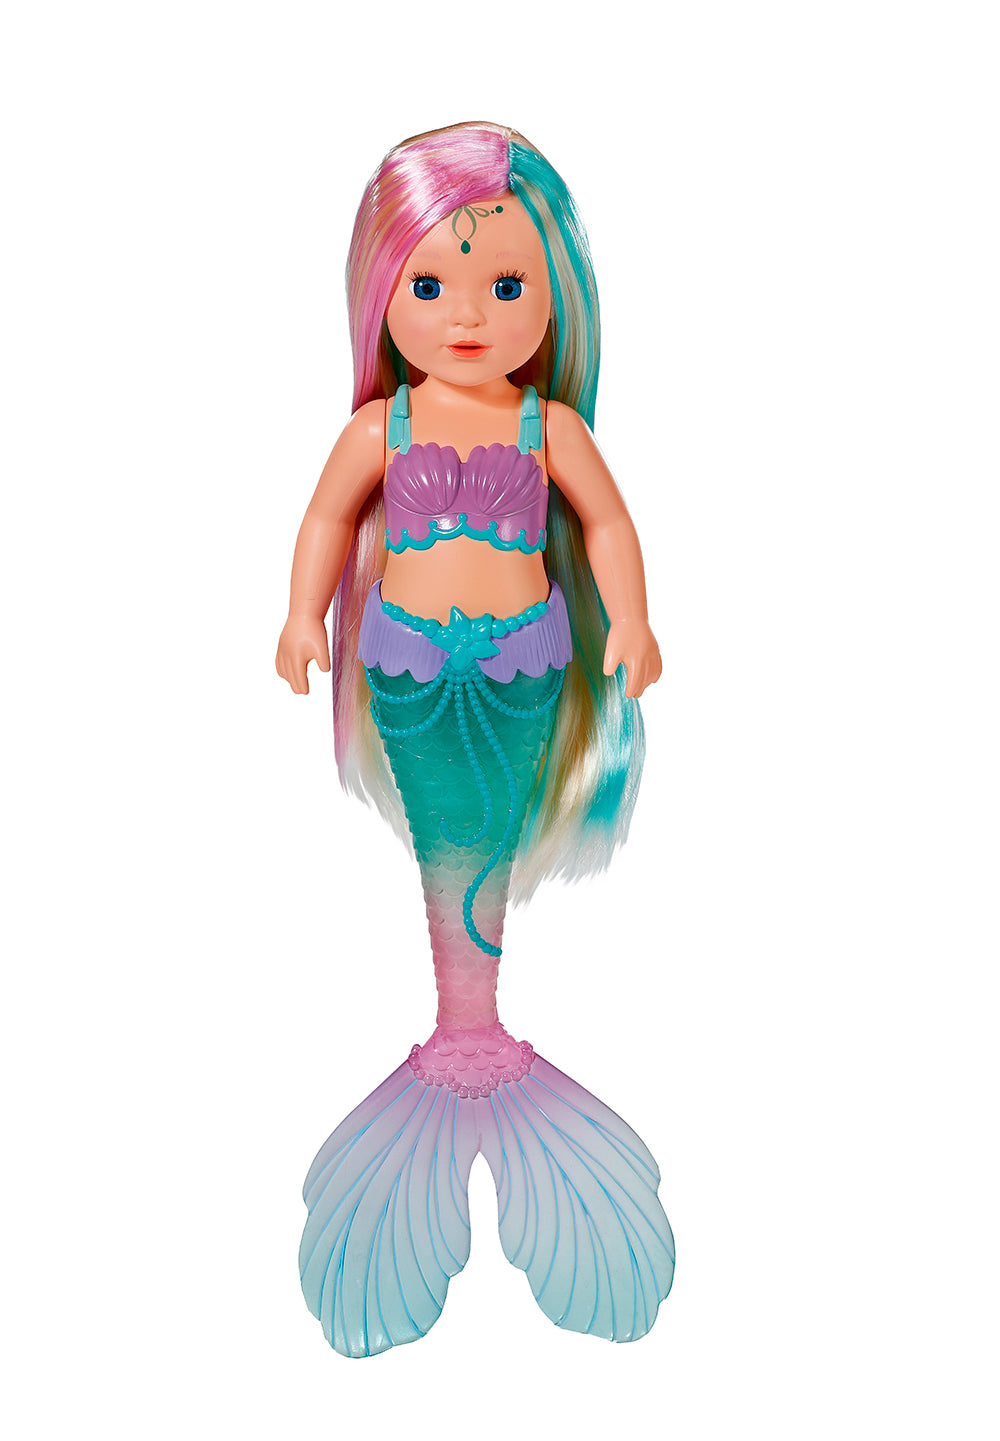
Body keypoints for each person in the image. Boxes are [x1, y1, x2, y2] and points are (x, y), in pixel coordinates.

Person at [276, 122, 674, 1357]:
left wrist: (632, 620)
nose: (465, 314)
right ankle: (463, 1027)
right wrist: (299, 616)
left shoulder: (547, 429)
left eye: (505, 286)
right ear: (380, 289)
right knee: (445, 846)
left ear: (554, 297)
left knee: (487, 844)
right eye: (431, 283)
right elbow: (325, 525)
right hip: (404, 672)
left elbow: (607, 526)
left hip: (524, 673)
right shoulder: (380, 432)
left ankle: (478, 1026)